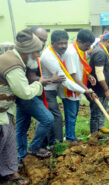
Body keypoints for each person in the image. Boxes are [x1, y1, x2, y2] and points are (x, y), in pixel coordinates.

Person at [0, 29, 49, 185]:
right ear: (27, 52)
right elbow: (25, 93)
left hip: (5, 109)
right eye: (36, 52)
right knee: (2, 140)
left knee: (8, 143)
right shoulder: (14, 65)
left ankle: (9, 172)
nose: (37, 56)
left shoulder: (14, 57)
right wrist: (39, 84)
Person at [16, 27, 65, 163]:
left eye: (44, 40)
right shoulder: (28, 54)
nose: (42, 43)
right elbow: (31, 78)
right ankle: (34, 147)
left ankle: (22, 158)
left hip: (26, 94)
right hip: (26, 95)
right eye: (39, 39)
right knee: (47, 119)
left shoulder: (33, 53)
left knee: (22, 128)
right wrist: (51, 80)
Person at [41, 30, 93, 145]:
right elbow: (65, 79)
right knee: (54, 118)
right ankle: (56, 144)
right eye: (60, 43)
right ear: (52, 42)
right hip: (47, 91)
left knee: (51, 118)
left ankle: (52, 143)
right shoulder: (49, 56)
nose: (63, 46)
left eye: (65, 43)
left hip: (53, 90)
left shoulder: (60, 52)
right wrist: (85, 90)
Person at [61, 29, 97, 141]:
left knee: (74, 114)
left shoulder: (80, 50)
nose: (89, 47)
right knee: (71, 115)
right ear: (80, 41)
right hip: (70, 89)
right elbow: (73, 76)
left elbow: (80, 67)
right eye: (87, 44)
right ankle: (70, 138)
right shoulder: (71, 52)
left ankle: (71, 136)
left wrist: (88, 75)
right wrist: (86, 90)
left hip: (77, 88)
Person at [88, 32, 109, 134]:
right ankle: (94, 135)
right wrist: (106, 90)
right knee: (96, 113)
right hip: (97, 88)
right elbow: (99, 72)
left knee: (101, 111)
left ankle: (100, 130)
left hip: (101, 87)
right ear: (108, 42)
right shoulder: (100, 53)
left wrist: (108, 87)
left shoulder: (102, 50)